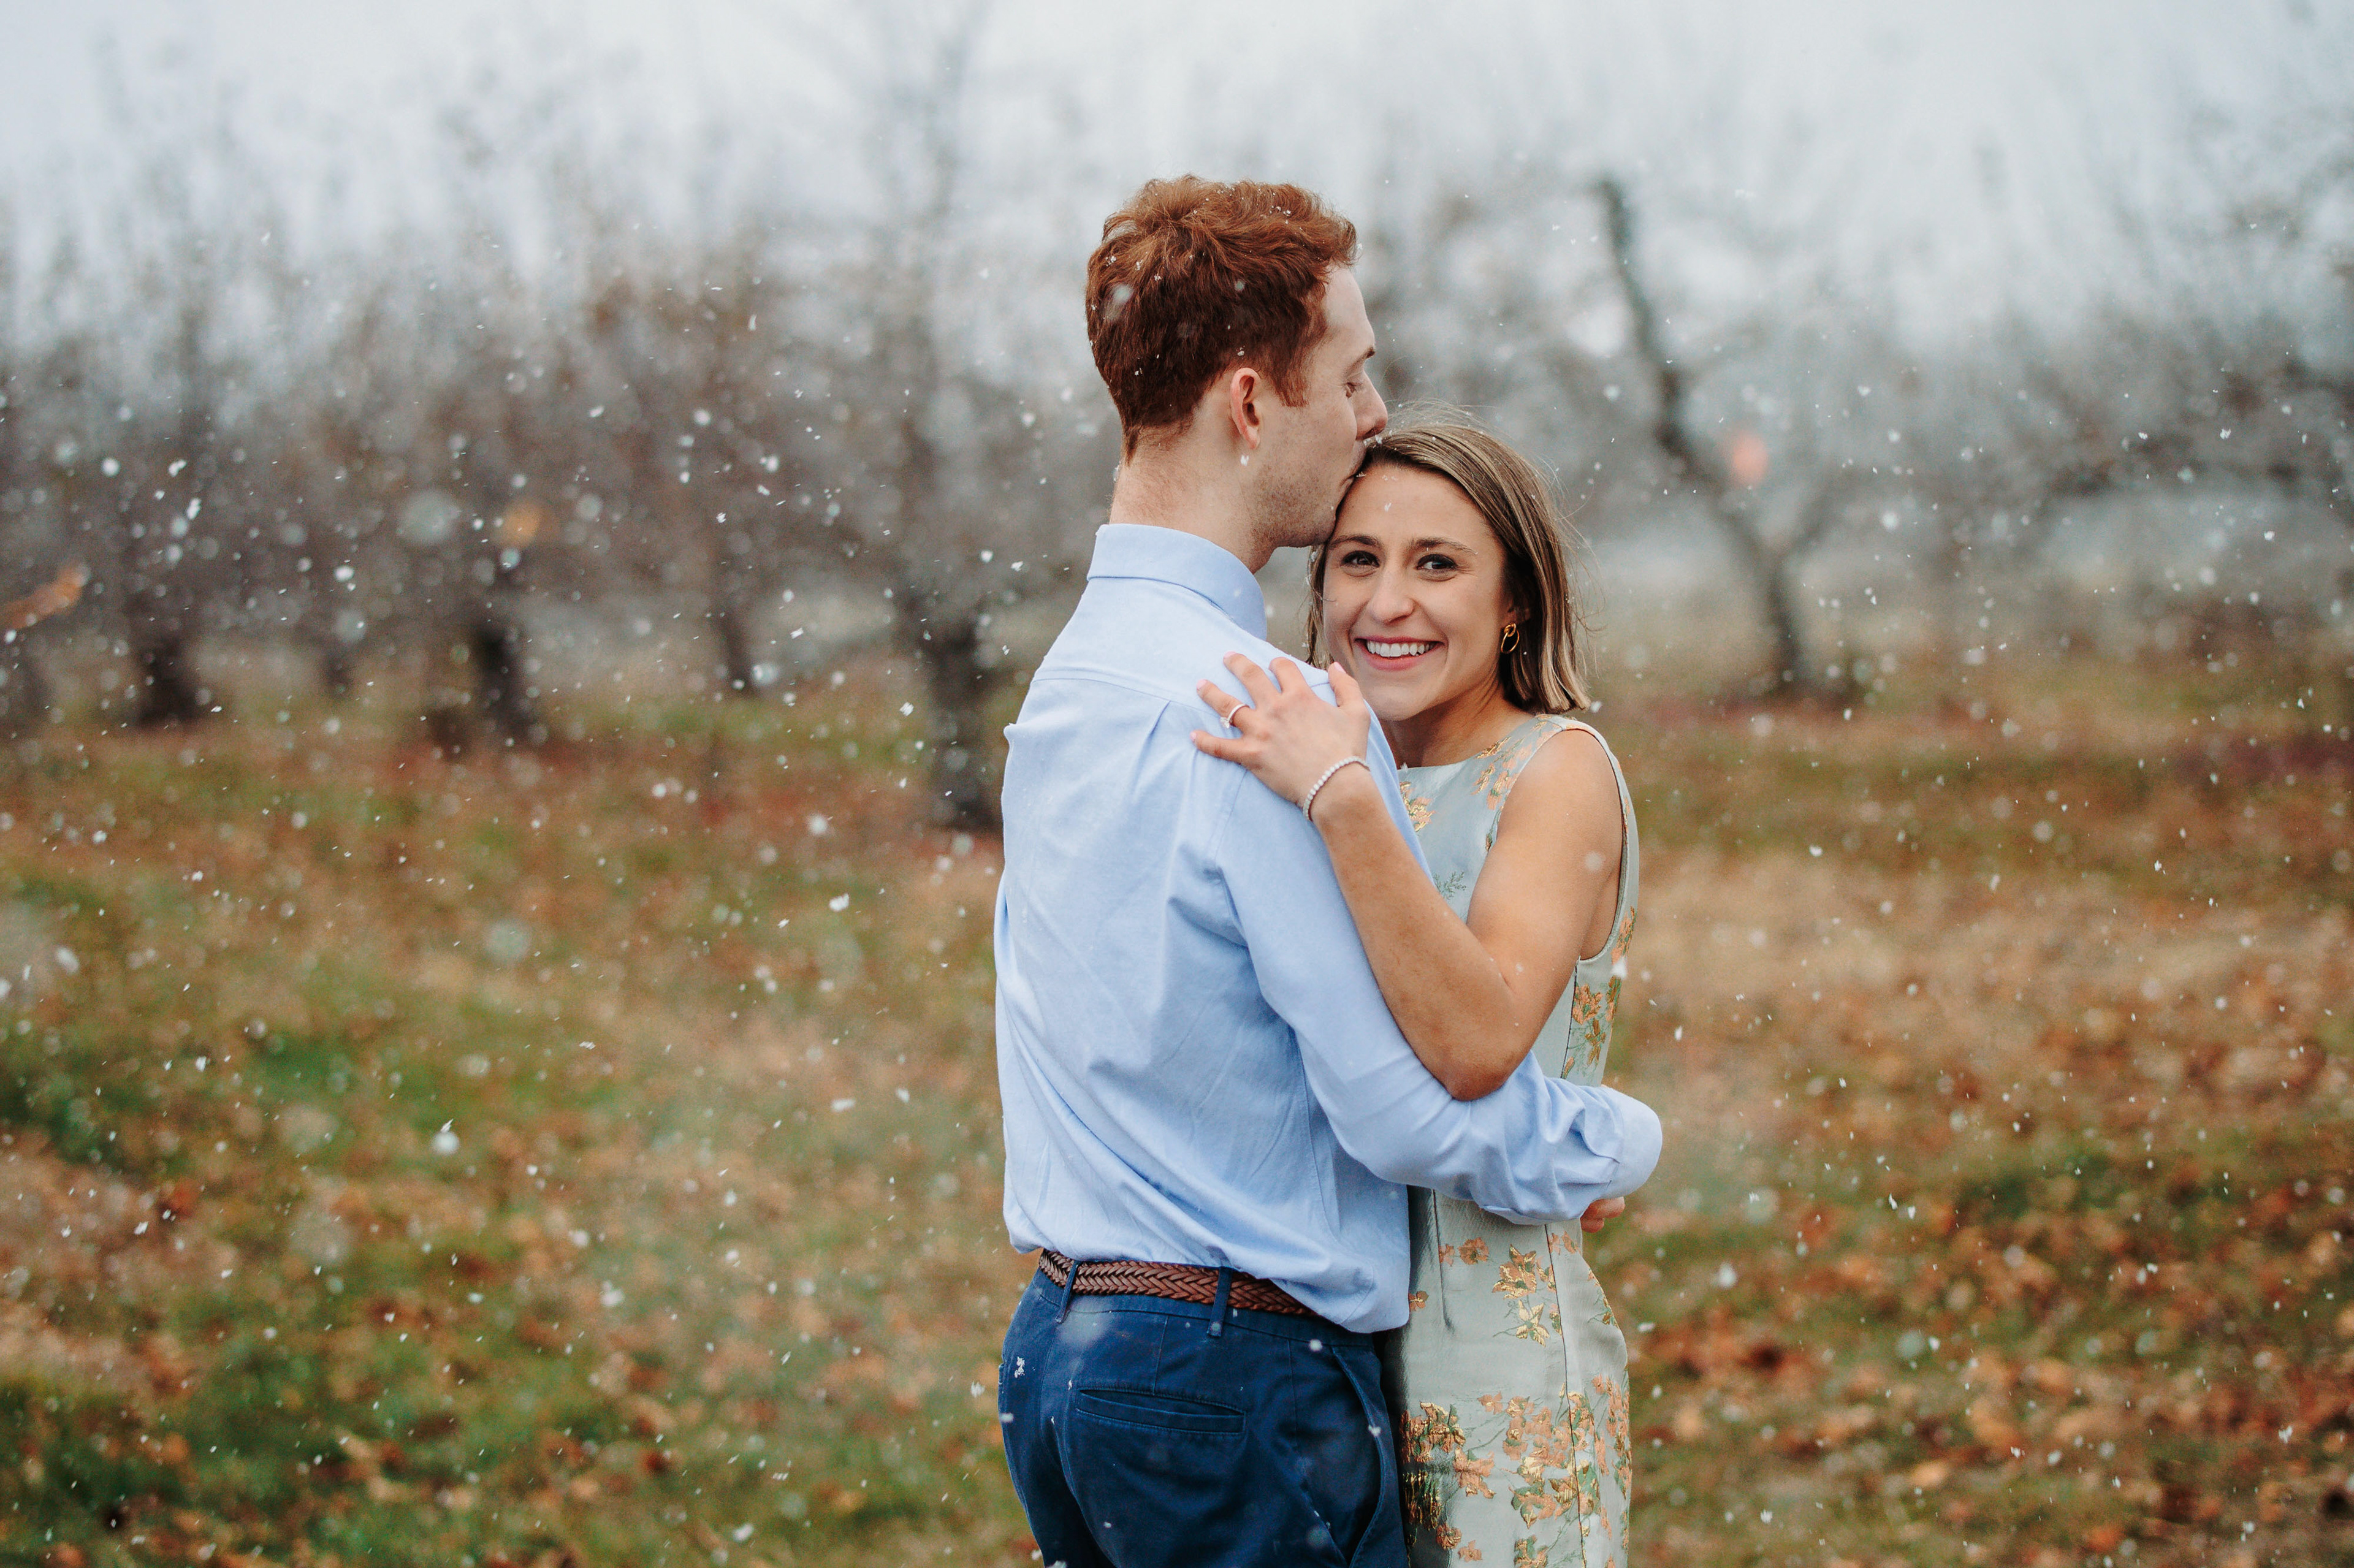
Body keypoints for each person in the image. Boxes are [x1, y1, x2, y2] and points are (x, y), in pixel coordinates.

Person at [993, 176, 1661, 1568]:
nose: (1371, 413)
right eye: (1351, 376)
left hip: (1062, 1354)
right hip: (1225, 1378)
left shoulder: (1077, 676)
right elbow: (1404, 1115)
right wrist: (1612, 1140)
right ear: (1251, 403)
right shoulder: (1264, 716)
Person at [1190, 416, 1644, 1566]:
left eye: (1436, 563)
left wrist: (1341, 799)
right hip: (1317, 1349)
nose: (1387, 601)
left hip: (1495, 1360)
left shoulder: (1556, 770)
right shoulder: (1325, 764)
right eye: (1358, 559)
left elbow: (1482, 1035)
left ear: (1515, 604)